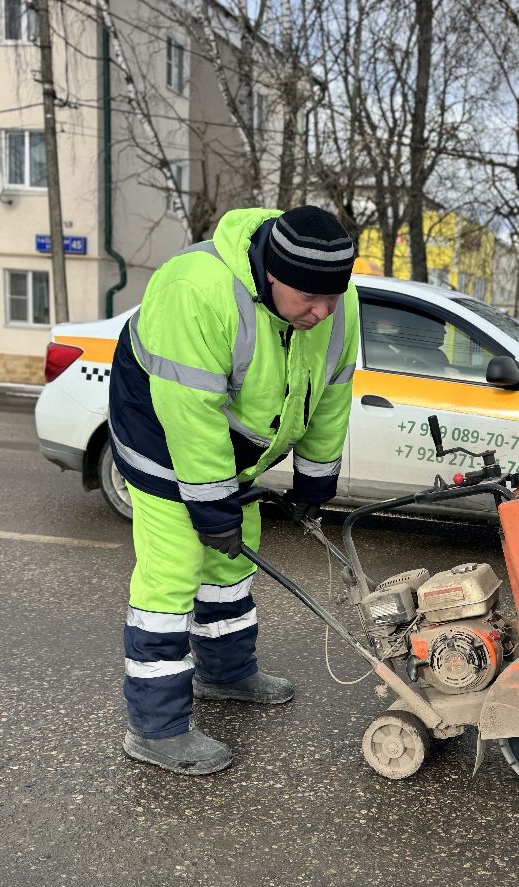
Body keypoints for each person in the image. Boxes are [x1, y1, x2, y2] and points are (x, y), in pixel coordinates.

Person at [108, 206, 359, 775]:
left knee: (233, 553)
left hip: (235, 443)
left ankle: (225, 674)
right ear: (272, 274)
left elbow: (331, 392)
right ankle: (156, 728)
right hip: (160, 430)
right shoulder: (194, 289)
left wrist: (315, 481)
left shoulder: (337, 305)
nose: (322, 313)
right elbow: (189, 416)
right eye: (309, 299)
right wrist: (209, 504)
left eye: (333, 299)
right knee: (174, 568)